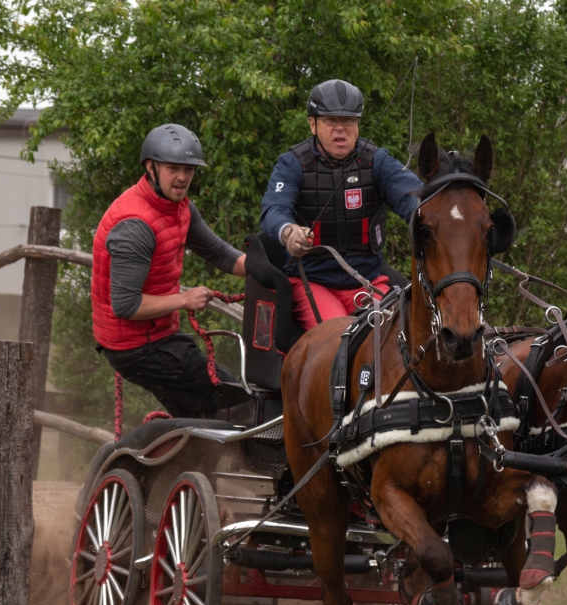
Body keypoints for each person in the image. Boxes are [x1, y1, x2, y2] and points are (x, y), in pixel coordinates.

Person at [91, 124, 247, 419]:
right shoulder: (135, 225)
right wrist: (184, 300)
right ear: (151, 167)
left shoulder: (179, 207)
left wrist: (262, 270)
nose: (183, 177)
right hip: (137, 346)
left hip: (157, 336)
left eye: (189, 169)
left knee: (198, 417)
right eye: (173, 168)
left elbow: (218, 253)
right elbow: (126, 305)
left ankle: (187, 461)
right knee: (235, 399)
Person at [260, 79, 423, 329]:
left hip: (368, 280)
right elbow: (273, 209)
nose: (340, 129)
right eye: (330, 120)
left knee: (402, 338)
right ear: (312, 124)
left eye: (348, 120)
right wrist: (289, 231)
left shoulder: (377, 162)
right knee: (340, 337)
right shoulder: (292, 164)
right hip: (313, 282)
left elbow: (415, 199)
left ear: (357, 124)